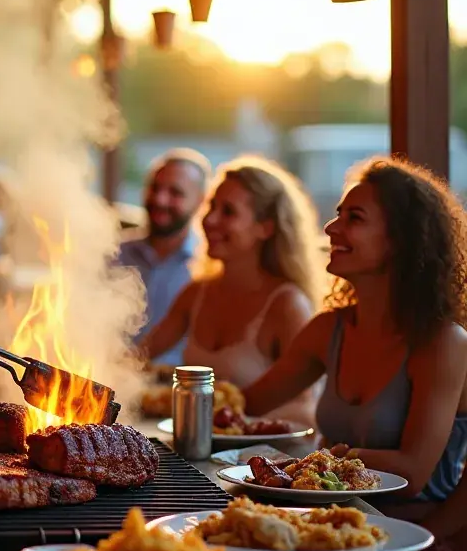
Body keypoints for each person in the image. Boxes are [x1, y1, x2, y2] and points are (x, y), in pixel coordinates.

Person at [243, 158, 467, 514]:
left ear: (401, 240)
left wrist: (326, 456)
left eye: (355, 218)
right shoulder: (328, 329)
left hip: (419, 538)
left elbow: (414, 473)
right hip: (333, 519)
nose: (331, 228)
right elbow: (247, 405)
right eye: (338, 214)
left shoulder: (442, 342)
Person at [142, 155, 325, 427]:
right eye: (211, 206)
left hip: (267, 459)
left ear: (265, 227)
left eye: (228, 211)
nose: (210, 220)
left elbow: (306, 410)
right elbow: (139, 359)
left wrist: (222, 420)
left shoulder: (287, 304)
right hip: (205, 453)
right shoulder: (197, 293)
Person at [113, 148, 211, 365]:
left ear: (200, 201)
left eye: (175, 193)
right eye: (155, 188)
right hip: (111, 385)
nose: (160, 199)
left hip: (179, 392)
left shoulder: (207, 267)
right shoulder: (113, 255)